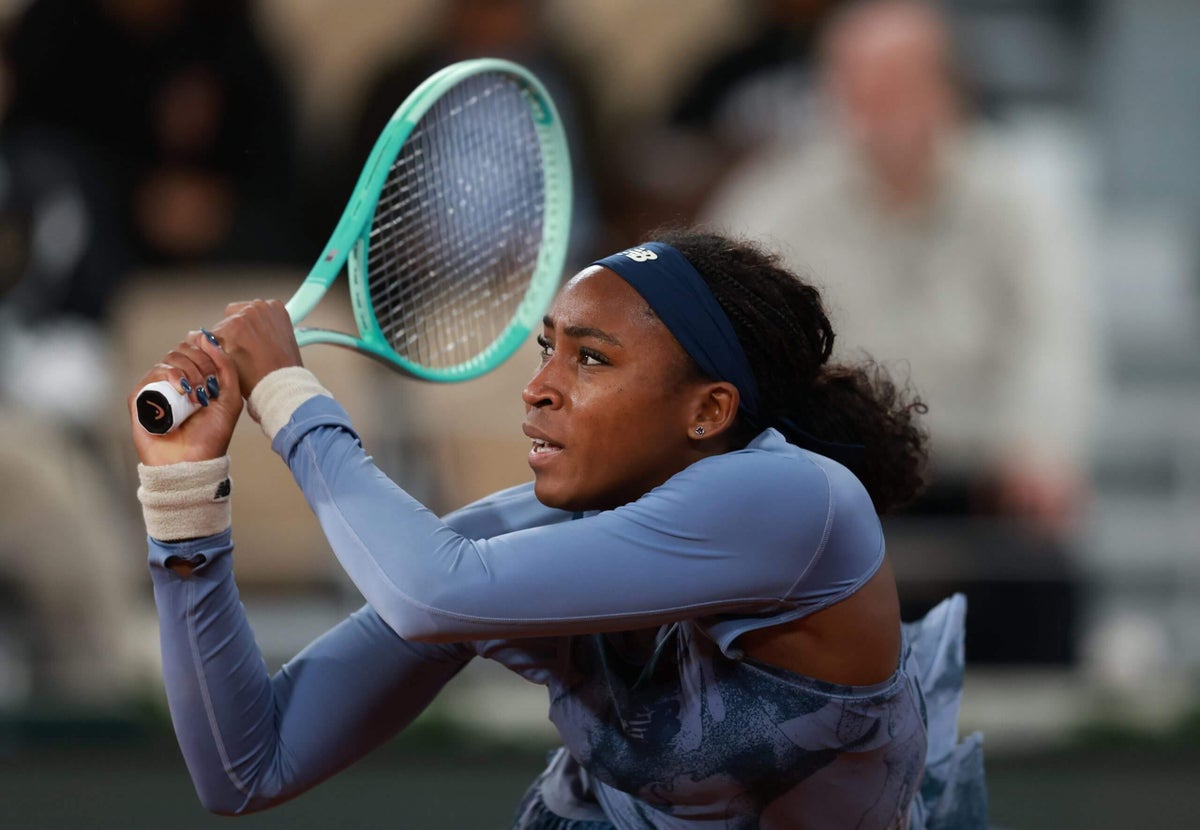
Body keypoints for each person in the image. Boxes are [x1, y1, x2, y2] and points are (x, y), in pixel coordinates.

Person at [128, 230, 985, 827]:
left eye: (592, 358)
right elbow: (247, 768)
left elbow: (429, 590)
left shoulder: (801, 500)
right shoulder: (515, 539)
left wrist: (288, 395)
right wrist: (183, 496)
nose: (539, 387)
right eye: (546, 349)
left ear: (709, 411)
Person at [703, 0, 1098, 663]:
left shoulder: (1018, 200)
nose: (870, 108)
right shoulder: (772, 200)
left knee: (1043, 581)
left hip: (978, 487)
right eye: (853, 85)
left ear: (946, 88)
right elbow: (721, 339)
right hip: (828, 491)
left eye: (893, 85)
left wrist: (1042, 447)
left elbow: (1056, 337)